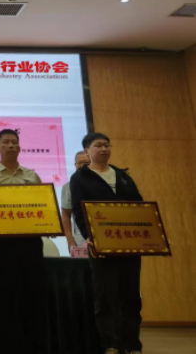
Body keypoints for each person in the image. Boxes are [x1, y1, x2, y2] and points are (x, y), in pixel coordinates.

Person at [71, 133, 144, 354]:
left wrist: (150, 235)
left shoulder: (122, 176)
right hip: (101, 244)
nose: (104, 149)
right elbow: (79, 211)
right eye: (98, 146)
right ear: (87, 151)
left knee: (130, 296)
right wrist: (89, 238)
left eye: (107, 145)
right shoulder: (80, 178)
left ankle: (132, 344)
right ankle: (110, 344)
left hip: (129, 244)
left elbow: (140, 207)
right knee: (105, 296)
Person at [0, 128, 46, 354]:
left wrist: (47, 223)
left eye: (14, 142)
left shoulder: (31, 176)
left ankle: (34, 345)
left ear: (20, 147)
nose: (10, 146)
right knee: (6, 297)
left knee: (33, 295)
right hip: (4, 243)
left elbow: (43, 204)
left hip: (31, 242)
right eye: (6, 142)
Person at [60, 150, 90, 250]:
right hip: (79, 242)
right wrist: (70, 241)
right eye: (80, 163)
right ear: (75, 165)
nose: (83, 166)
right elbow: (66, 215)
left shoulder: (101, 184)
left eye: (86, 163)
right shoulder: (68, 187)